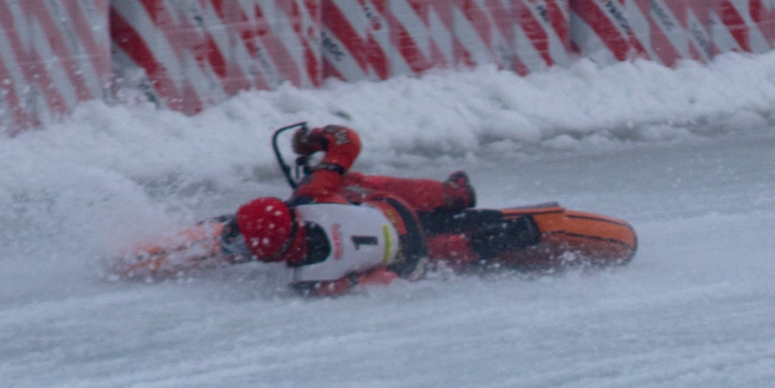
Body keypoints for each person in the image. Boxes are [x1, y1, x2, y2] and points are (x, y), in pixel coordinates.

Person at [222, 124, 542, 295]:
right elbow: (347, 140)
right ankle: (453, 199)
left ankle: (477, 242)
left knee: (430, 253)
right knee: (350, 183)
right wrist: (314, 140)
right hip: (391, 211)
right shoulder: (311, 193)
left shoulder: (308, 280)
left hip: (411, 255)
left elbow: (381, 281)